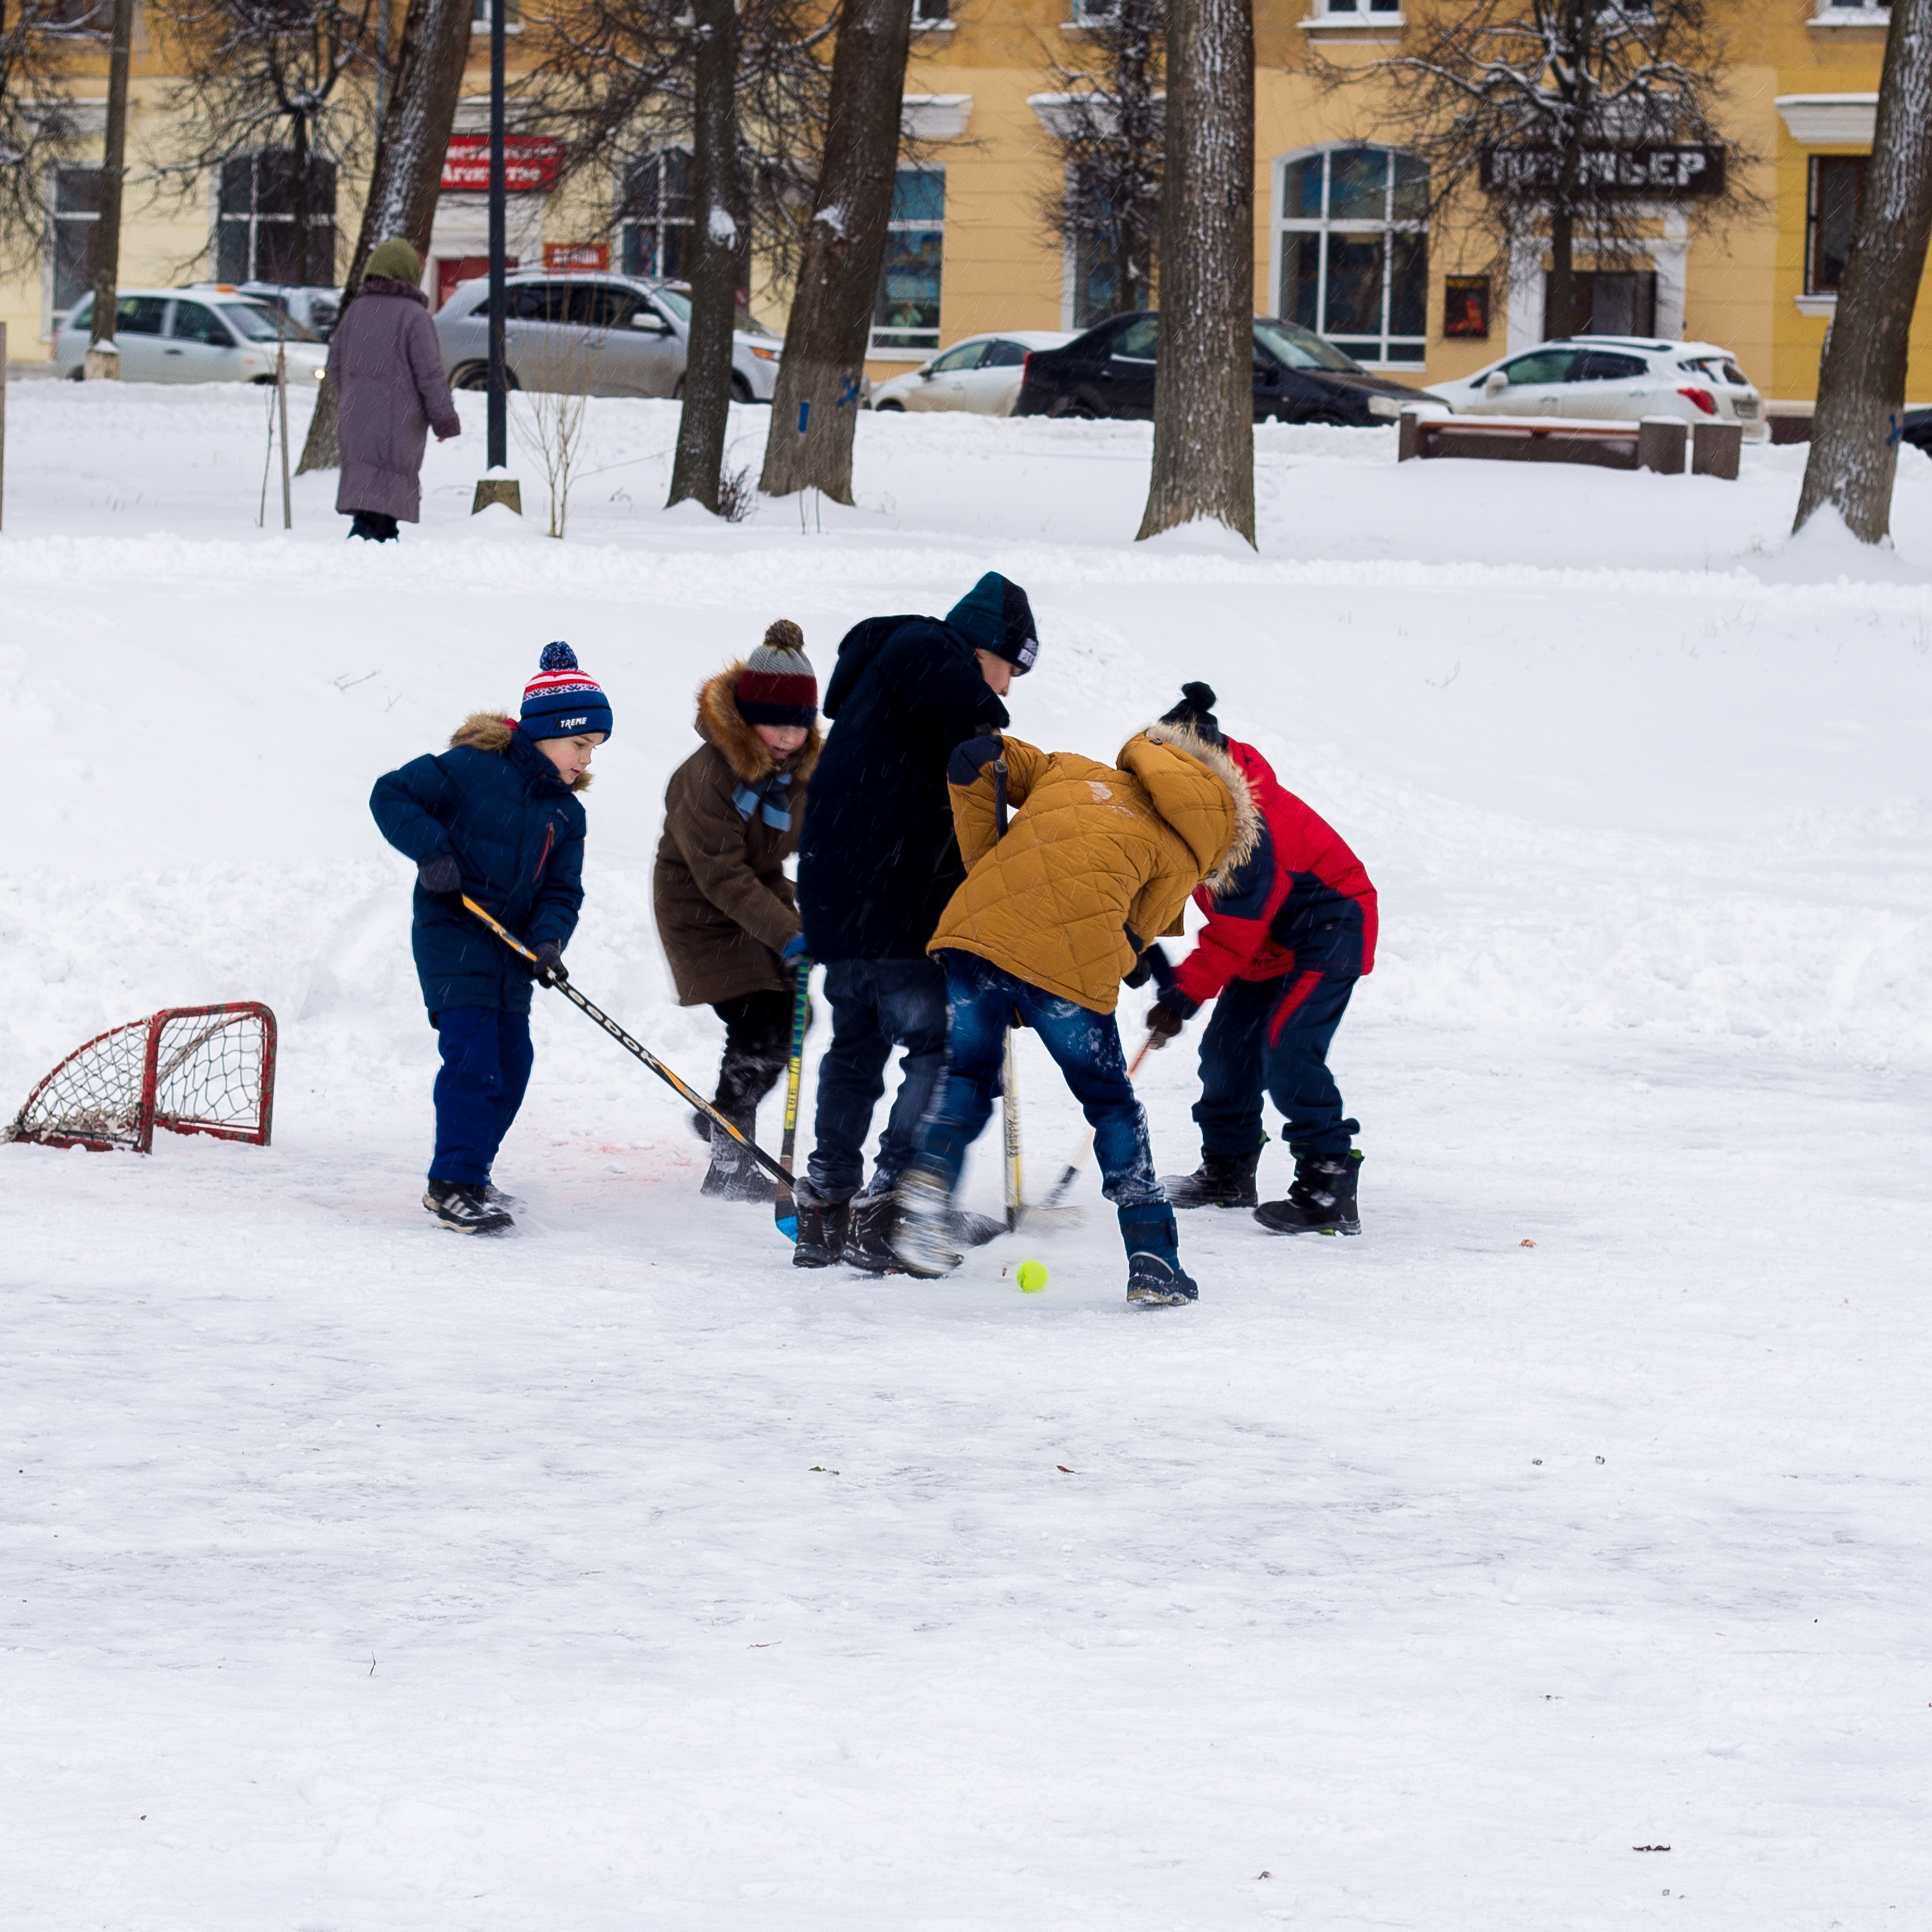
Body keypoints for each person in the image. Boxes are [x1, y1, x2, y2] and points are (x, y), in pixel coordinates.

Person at [889, 711, 1259, 1307]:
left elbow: (978, 759)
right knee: (1111, 1104)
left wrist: (991, 872)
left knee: (965, 1078)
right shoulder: (1185, 850)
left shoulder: (1071, 770)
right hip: (1066, 970)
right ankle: (1153, 1262)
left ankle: (929, 1198)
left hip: (973, 942)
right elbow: (1130, 937)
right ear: (1220, 823)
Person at [790, 571, 1037, 1271]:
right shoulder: (930, 654)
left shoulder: (883, 686)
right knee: (944, 1050)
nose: (1008, 687)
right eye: (1009, 665)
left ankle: (826, 1209)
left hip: (844, 900)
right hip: (898, 897)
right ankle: (896, 1208)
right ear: (984, 645)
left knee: (856, 1049)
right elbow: (978, 747)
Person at [369, 642, 611, 1234]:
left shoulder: (566, 814)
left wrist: (549, 944)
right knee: (475, 1061)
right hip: (453, 933)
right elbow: (391, 794)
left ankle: (473, 1170)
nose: (585, 760)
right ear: (550, 733)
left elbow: (561, 892)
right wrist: (432, 853)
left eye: (593, 750)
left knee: (513, 1063)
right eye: (580, 744)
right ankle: (450, 1183)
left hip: (512, 949)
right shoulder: (474, 766)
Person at [1142, 684, 1377, 1236]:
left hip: (1331, 925)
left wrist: (1182, 994)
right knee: (1226, 1052)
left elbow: (1233, 933)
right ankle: (1228, 1171)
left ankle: (1329, 1184)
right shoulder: (1193, 812)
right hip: (1270, 936)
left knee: (1287, 1048)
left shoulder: (1250, 828)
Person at [653, 623, 820, 1201]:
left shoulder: (796, 773)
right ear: (747, 717)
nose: (789, 735)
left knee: (795, 1019)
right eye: (777, 722)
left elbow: (819, 842)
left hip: (760, 898)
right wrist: (788, 932)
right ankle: (728, 1163)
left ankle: (723, 1115)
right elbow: (721, 874)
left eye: (801, 724)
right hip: (700, 908)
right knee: (760, 1018)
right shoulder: (705, 776)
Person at [326, 238, 460, 543]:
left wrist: (357, 396)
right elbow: (430, 375)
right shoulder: (414, 317)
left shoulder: (355, 311)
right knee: (385, 496)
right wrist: (444, 420)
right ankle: (372, 543)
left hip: (356, 421)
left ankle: (369, 541)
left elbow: (334, 365)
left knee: (368, 496)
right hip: (399, 423)